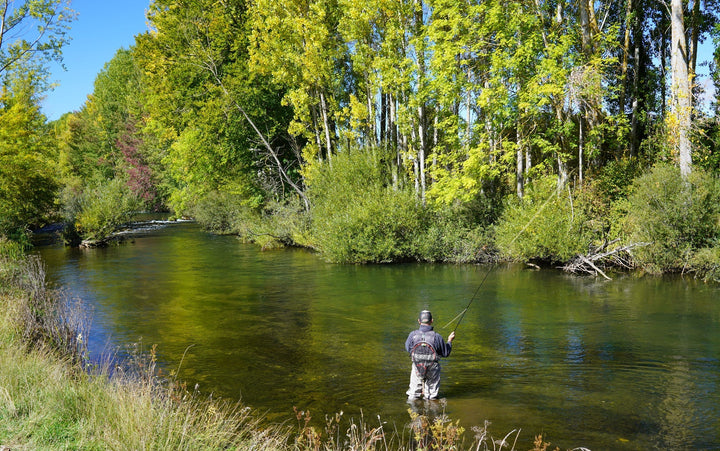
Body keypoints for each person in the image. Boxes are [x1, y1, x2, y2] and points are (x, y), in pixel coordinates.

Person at [404, 309, 455, 400]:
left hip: (417, 367)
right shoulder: (437, 337)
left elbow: (408, 349)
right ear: (432, 321)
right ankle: (432, 409)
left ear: (419, 321)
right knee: (432, 396)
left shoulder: (413, 335)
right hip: (432, 369)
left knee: (413, 395)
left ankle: (413, 411)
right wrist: (449, 341)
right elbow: (446, 353)